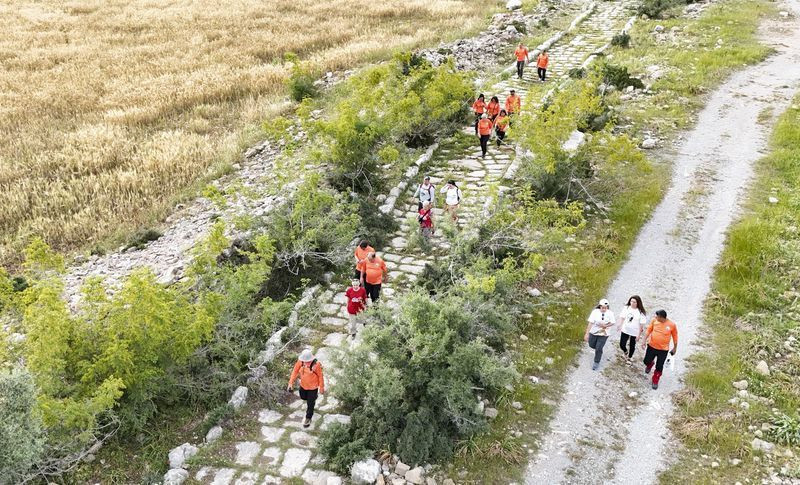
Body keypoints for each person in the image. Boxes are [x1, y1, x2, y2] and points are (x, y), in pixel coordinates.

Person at [287, 349, 325, 428]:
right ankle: (313, 397)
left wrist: (321, 387)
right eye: (305, 361)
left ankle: (308, 418)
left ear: (311, 359)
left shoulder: (316, 365)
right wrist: (290, 383)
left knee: (310, 403)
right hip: (303, 385)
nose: (307, 363)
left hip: (313, 387)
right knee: (303, 397)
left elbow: (320, 376)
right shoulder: (300, 362)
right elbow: (295, 371)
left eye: (308, 361)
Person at [641, 309, 678, 390]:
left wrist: (675, 348)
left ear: (661, 317)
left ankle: (655, 380)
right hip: (651, 346)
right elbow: (648, 331)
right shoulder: (654, 321)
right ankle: (650, 364)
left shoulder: (672, 325)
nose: (655, 317)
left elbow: (675, 337)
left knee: (659, 366)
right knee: (646, 361)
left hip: (663, 350)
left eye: (657, 316)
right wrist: (643, 341)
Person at [584, 298, 615, 370]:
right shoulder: (595, 312)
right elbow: (590, 322)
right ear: (599, 306)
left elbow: (613, 322)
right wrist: (587, 333)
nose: (604, 309)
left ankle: (596, 362)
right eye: (602, 307)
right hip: (594, 332)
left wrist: (606, 326)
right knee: (591, 344)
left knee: (598, 348)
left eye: (605, 308)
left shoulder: (610, 313)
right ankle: (598, 349)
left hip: (604, 333)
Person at [617, 295, 647, 363]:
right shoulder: (627, 307)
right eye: (631, 301)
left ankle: (629, 357)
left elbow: (641, 324)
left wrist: (638, 335)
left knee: (632, 345)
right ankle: (625, 351)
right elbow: (622, 317)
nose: (632, 303)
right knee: (622, 344)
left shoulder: (640, 312)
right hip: (625, 329)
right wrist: (620, 324)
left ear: (638, 303)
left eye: (634, 302)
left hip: (634, 331)